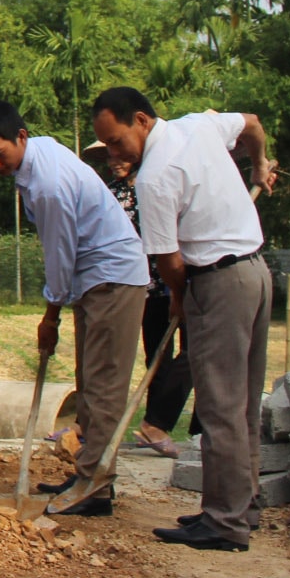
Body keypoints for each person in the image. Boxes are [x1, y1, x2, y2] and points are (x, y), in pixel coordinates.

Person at [91, 87, 276, 552]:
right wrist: (259, 164)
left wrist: (179, 297)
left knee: (219, 407)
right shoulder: (200, 125)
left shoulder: (154, 177)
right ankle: (241, 507)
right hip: (255, 273)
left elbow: (169, 261)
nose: (114, 152)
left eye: (116, 141)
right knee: (243, 403)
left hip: (217, 282)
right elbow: (252, 121)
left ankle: (224, 523)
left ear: (141, 120)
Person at [0, 102, 149, 516]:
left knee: (104, 387)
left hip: (112, 279)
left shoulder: (48, 182)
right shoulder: (39, 155)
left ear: (21, 137)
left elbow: (59, 256)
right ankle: (89, 474)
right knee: (91, 383)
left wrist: (51, 316)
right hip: (95, 279)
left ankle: (96, 484)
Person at [84, 141, 195, 458]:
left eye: (119, 154)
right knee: (158, 354)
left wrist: (177, 286)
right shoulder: (112, 193)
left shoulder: (158, 185)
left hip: (176, 276)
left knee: (193, 352)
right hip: (141, 284)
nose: (114, 161)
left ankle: (171, 424)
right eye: (109, 156)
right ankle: (154, 424)